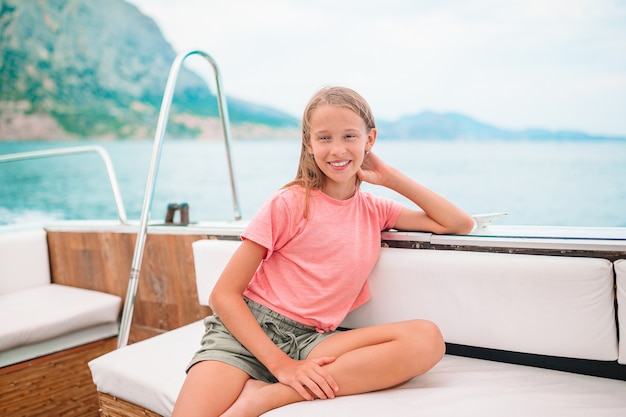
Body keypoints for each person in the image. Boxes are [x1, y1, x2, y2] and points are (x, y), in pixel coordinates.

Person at [172, 86, 475, 417]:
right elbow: (223, 295)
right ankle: (279, 380)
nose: (337, 149)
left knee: (426, 339)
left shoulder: (376, 210)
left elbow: (458, 223)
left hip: (313, 340)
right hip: (248, 334)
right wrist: (283, 366)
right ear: (309, 143)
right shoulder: (288, 203)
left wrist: (389, 177)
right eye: (325, 138)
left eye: (349, 136)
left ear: (369, 140)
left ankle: (267, 397)